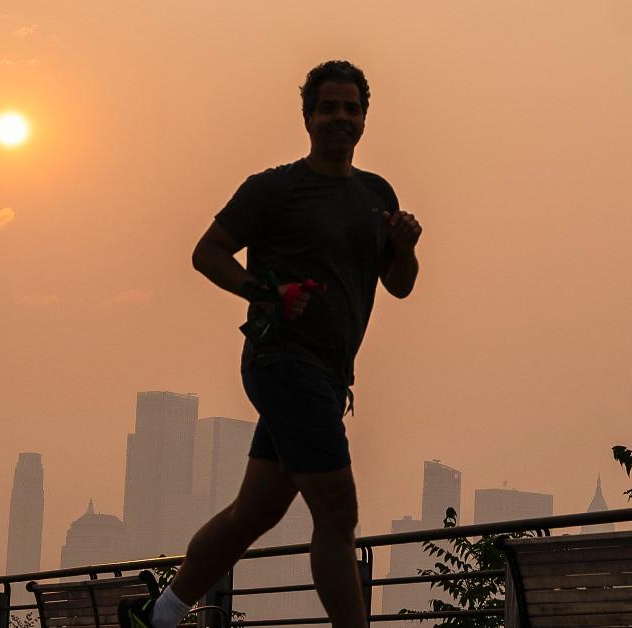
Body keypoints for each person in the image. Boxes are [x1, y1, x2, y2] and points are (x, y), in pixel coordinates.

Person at [119, 60, 422, 628]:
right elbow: (207, 252)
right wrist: (266, 292)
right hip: (282, 363)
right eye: (328, 107)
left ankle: (155, 616)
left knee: (253, 513)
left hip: (330, 378)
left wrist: (404, 246)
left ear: (364, 119)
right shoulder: (274, 189)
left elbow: (399, 286)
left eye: (351, 108)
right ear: (307, 116)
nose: (340, 117)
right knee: (337, 512)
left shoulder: (375, 194)